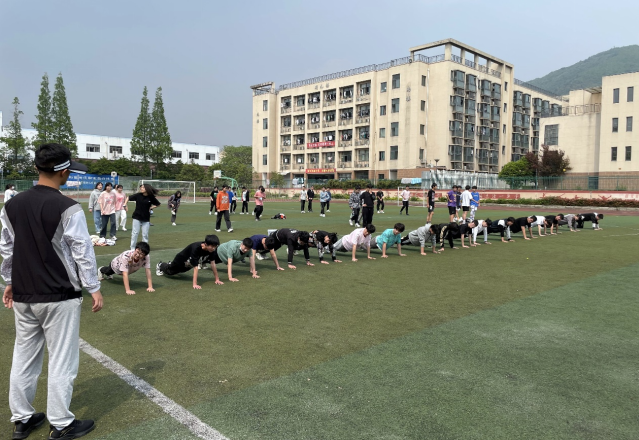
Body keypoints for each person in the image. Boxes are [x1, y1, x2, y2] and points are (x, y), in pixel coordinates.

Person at [1, 143, 103, 440]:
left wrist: (9, 281)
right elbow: (82, 250)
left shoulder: (11, 205)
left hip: (24, 293)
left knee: (24, 356)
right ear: (64, 172)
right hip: (59, 294)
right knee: (62, 359)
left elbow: (7, 248)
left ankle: (22, 419)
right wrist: (94, 287)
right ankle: (61, 423)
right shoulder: (67, 207)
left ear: (37, 168)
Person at [156, 235, 221, 288]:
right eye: (212, 246)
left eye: (215, 246)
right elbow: (196, 267)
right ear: (206, 244)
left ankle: (170, 264)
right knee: (170, 272)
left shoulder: (212, 250)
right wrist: (195, 284)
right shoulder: (196, 248)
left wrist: (217, 279)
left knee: (182, 271)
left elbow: (213, 263)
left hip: (188, 262)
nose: (213, 248)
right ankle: (160, 265)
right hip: (180, 259)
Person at [129, 183, 161, 250]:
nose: (141, 188)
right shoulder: (138, 195)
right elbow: (128, 197)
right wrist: (124, 204)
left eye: (143, 187)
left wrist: (151, 207)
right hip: (137, 217)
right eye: (141, 187)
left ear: (147, 189)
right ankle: (132, 247)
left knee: (145, 234)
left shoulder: (151, 197)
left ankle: (144, 248)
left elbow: (158, 204)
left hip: (146, 218)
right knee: (135, 233)